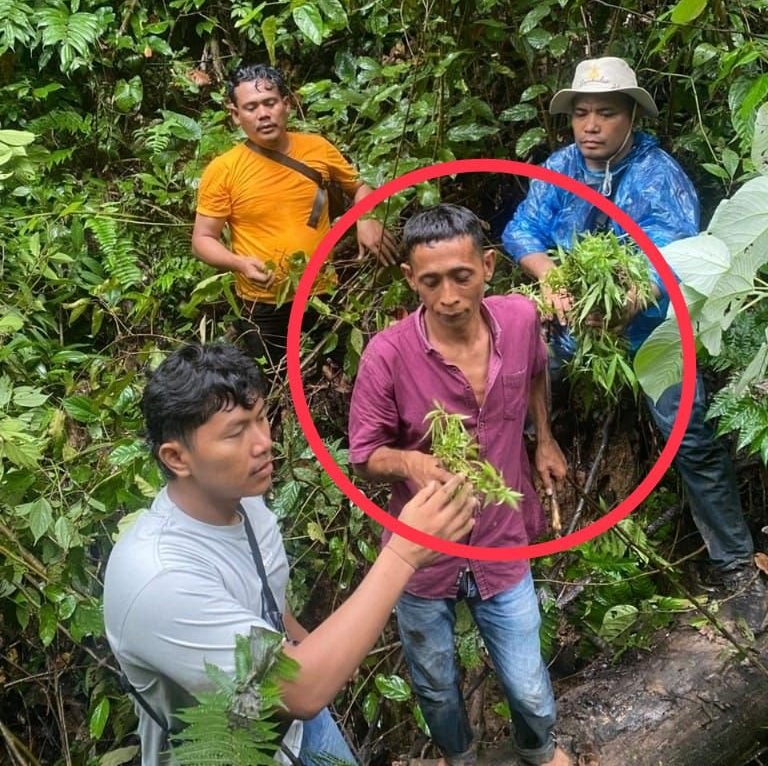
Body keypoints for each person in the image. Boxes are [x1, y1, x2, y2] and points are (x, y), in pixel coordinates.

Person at [102, 342, 477, 766]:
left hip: (294, 732)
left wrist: (314, 646)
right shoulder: (158, 578)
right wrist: (405, 552)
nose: (264, 442)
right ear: (176, 457)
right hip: (229, 752)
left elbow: (270, 613)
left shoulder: (247, 505)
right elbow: (299, 691)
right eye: (236, 432)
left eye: (261, 419)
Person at [501, 56, 768, 632]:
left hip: (653, 328)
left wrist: (618, 306)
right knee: (517, 371)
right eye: (582, 113)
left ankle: (737, 568)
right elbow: (521, 228)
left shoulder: (658, 176)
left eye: (606, 113)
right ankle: (517, 515)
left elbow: (667, 261)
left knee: (689, 431)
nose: (591, 125)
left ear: (630, 118)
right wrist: (550, 277)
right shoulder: (559, 167)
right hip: (575, 321)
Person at [348, 204, 571, 766]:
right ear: (410, 280)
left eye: (461, 276)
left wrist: (543, 438)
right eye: (431, 281)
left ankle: (538, 747)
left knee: (528, 683)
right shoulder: (388, 354)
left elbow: (537, 370)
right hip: (422, 555)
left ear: (488, 267)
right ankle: (459, 757)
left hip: (503, 538)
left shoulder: (519, 319)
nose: (448, 295)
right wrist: (413, 464)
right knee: (435, 683)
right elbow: (365, 454)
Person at [191, 63, 397, 367]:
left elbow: (359, 188)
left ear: (286, 105)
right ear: (235, 115)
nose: (263, 114)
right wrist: (238, 263)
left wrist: (365, 217)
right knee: (271, 383)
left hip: (324, 294)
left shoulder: (317, 148)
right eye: (251, 107)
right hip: (262, 303)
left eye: (270, 103)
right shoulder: (223, 170)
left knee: (347, 372)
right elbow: (202, 239)